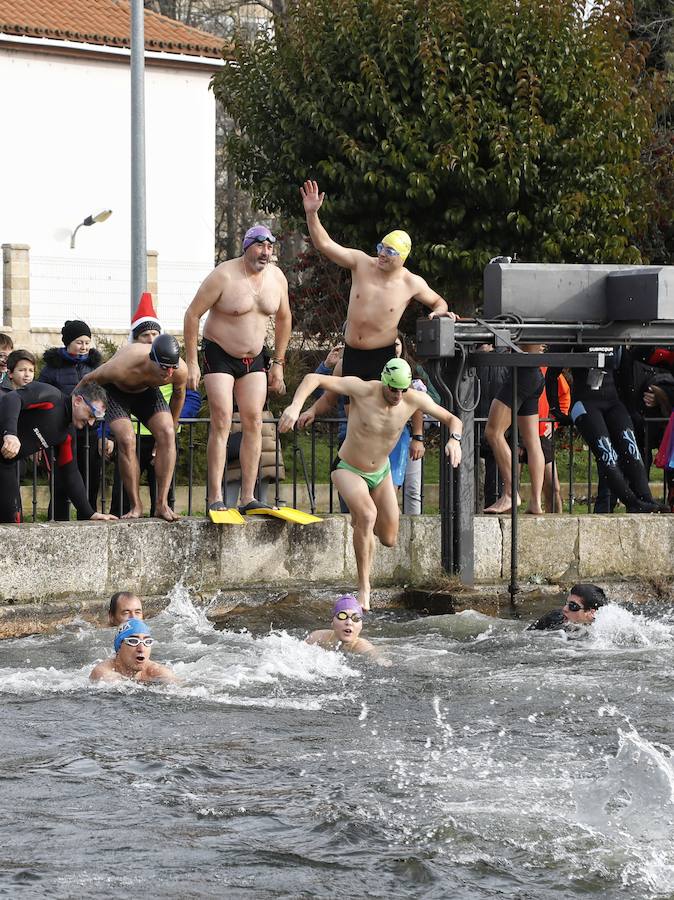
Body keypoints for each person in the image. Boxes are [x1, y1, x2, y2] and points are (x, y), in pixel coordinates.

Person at [279, 357, 463, 610]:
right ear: (384, 382)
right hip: (348, 467)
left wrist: (454, 440)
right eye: (393, 389)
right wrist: (295, 406)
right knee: (367, 515)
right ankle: (364, 589)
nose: (397, 395)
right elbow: (315, 378)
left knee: (389, 538)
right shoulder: (363, 389)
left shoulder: (413, 398)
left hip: (381, 472)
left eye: (402, 390)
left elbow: (454, 419)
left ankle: (361, 527)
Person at [297, 180, 456, 422]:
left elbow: (438, 302)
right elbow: (325, 244)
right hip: (352, 353)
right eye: (381, 247)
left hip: (381, 356)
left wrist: (439, 312)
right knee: (353, 418)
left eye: (390, 252)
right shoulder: (361, 263)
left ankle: (381, 459)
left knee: (376, 418)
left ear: (402, 258)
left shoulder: (410, 282)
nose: (381, 254)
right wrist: (312, 214)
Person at [184, 224, 291, 516]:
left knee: (254, 420)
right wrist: (192, 361)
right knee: (221, 420)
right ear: (246, 248)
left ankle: (247, 496)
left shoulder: (276, 278)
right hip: (220, 353)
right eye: (260, 246)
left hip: (254, 356)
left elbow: (284, 319)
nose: (265, 253)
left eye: (269, 247)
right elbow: (193, 314)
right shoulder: (224, 275)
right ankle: (216, 497)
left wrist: (278, 363)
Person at [74, 334, 188, 521]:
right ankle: (136, 506)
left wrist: (172, 428)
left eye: (172, 368)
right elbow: (87, 380)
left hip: (146, 393)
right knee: (127, 439)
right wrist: (69, 410)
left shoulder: (179, 370)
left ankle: (162, 504)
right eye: (164, 368)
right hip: (116, 392)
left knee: (168, 433)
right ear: (153, 359)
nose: (169, 374)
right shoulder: (121, 367)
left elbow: (178, 397)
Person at [109, 294, 202, 516]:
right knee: (122, 493)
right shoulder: (125, 362)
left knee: (163, 493)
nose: (151, 339)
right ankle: (130, 514)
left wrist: (171, 423)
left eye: (154, 334)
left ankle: (161, 509)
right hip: (132, 433)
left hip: (161, 435)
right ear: (135, 339)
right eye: (145, 335)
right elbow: (109, 397)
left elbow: (189, 396)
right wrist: (107, 433)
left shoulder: (172, 362)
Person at [546, 346, 662, 513]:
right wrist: (556, 410)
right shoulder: (577, 336)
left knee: (632, 450)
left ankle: (646, 499)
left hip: (612, 402)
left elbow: (625, 377)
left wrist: (632, 412)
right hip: (585, 404)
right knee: (608, 455)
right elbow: (552, 373)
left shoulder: (616, 340)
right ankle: (632, 502)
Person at [0, 381, 117, 523]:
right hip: (5, 449)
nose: (91, 423)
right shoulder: (51, 397)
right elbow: (12, 398)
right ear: (78, 401)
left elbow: (70, 474)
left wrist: (89, 513)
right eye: (91, 415)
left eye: (96, 419)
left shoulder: (67, 434)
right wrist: (10, 433)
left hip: (5, 465)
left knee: (13, 522)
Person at [39, 320, 107, 519]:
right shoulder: (52, 368)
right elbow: (43, 396)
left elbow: (105, 399)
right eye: (79, 342)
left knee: (90, 481)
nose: (84, 346)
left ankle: (88, 517)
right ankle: (57, 520)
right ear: (67, 342)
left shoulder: (95, 366)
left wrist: (106, 434)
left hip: (90, 433)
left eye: (87, 342)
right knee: (61, 482)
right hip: (62, 431)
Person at [484, 344, 546, 515]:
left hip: (522, 373)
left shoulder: (522, 318)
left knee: (493, 432)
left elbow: (496, 322)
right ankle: (536, 502)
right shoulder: (543, 319)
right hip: (534, 373)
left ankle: (511, 494)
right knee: (532, 441)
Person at [90, 618, 176, 683]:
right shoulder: (103, 673)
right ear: (119, 647)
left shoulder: (158, 672)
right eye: (133, 641)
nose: (141, 649)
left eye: (147, 642)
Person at [306, 595, 381, 658]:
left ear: (361, 626)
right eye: (342, 616)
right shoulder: (317, 638)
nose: (349, 622)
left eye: (356, 618)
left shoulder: (365, 650)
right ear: (332, 623)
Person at [528, 583, 608, 630]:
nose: (565, 609)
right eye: (566, 603)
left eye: (572, 606)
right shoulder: (553, 618)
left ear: (591, 612)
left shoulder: (601, 636)